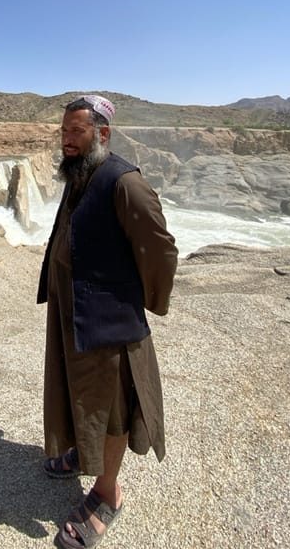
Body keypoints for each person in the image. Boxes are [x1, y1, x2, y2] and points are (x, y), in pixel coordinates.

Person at [37, 94, 178, 549]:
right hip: (73, 314)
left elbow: (161, 248)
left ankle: (107, 493)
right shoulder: (80, 174)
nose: (67, 141)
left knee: (111, 408)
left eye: (76, 131)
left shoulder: (124, 182)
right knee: (81, 394)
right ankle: (82, 452)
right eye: (63, 132)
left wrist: (141, 301)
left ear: (102, 134)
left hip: (108, 324)